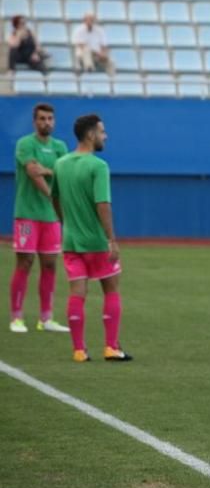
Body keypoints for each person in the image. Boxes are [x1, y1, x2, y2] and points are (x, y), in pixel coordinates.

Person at [51, 114, 130, 362]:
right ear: (90, 135)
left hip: (71, 241)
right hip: (96, 242)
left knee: (77, 292)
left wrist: (66, 224)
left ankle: (78, 350)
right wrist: (111, 240)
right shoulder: (98, 166)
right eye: (102, 131)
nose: (105, 136)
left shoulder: (60, 163)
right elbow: (102, 204)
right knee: (111, 289)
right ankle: (111, 347)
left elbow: (54, 197)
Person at [9, 103, 70, 334]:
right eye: (42, 118)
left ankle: (46, 318)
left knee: (50, 264)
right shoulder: (25, 144)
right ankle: (16, 317)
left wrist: (47, 170)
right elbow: (33, 173)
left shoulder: (60, 146)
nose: (47, 122)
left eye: (50, 119)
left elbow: (65, 172)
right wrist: (51, 192)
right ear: (35, 121)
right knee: (24, 263)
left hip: (50, 217)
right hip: (27, 214)